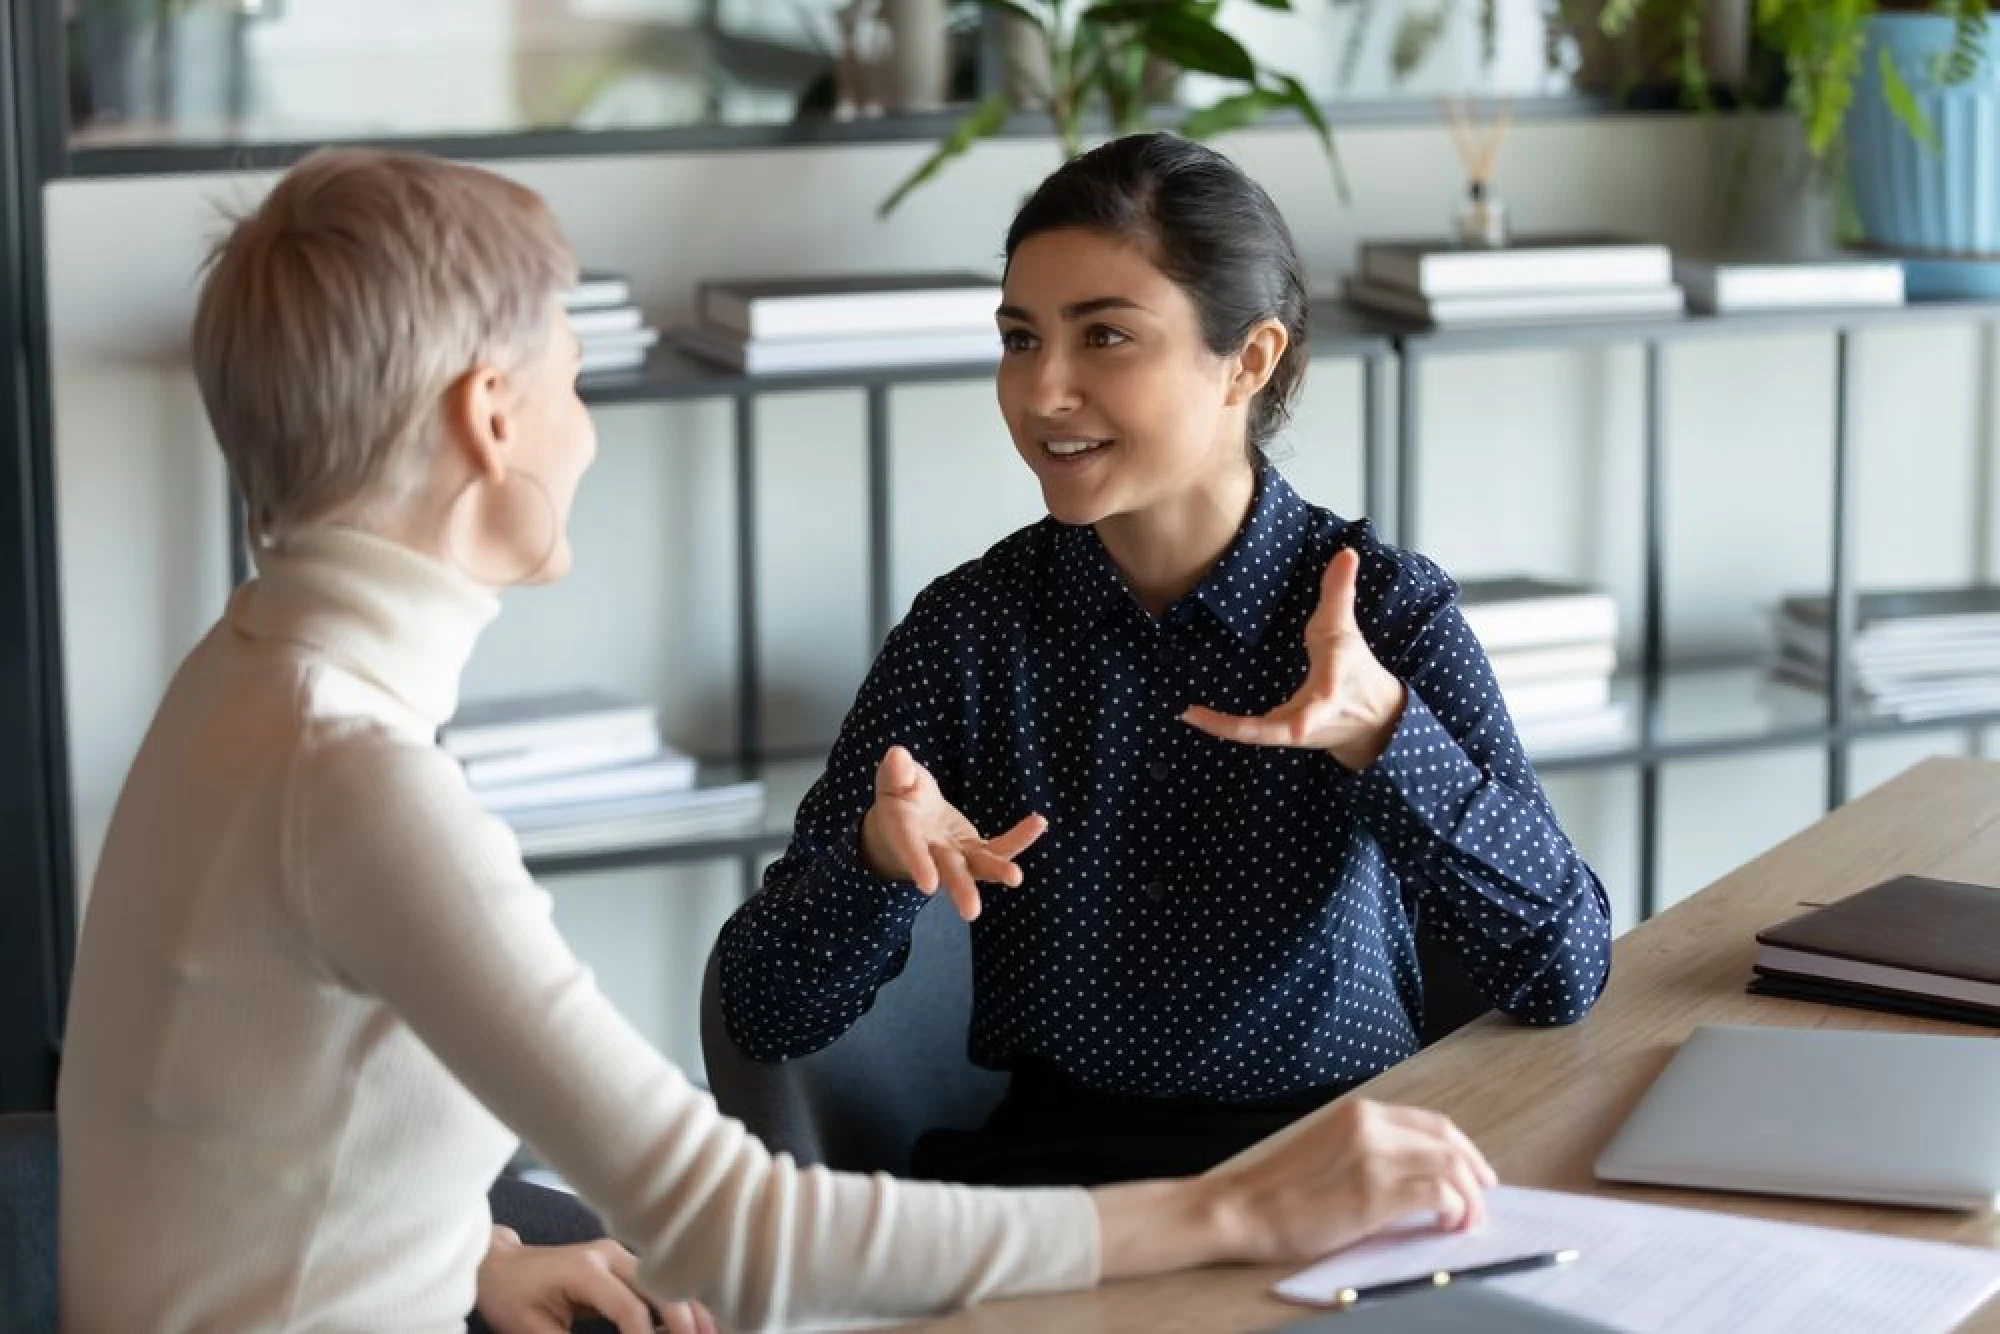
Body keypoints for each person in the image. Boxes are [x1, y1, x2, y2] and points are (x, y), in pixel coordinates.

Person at [54, 145, 1501, 1334]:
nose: (590, 427)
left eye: (1103, 335)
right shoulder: (359, 780)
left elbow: (262, 1140)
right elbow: (731, 1218)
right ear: (492, 420)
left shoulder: (243, 682)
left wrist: (470, 1259)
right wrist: (1242, 1205)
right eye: (571, 374)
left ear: (1248, 362)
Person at [717, 131, 1614, 1188]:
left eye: (1103, 337)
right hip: (1060, 1195)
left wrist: (1386, 734)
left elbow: (1563, 967)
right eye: (1018, 337)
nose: (1042, 388)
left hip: (1343, 1166)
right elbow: (761, 1008)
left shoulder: (1383, 612)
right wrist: (873, 862)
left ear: (1248, 359)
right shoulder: (968, 630)